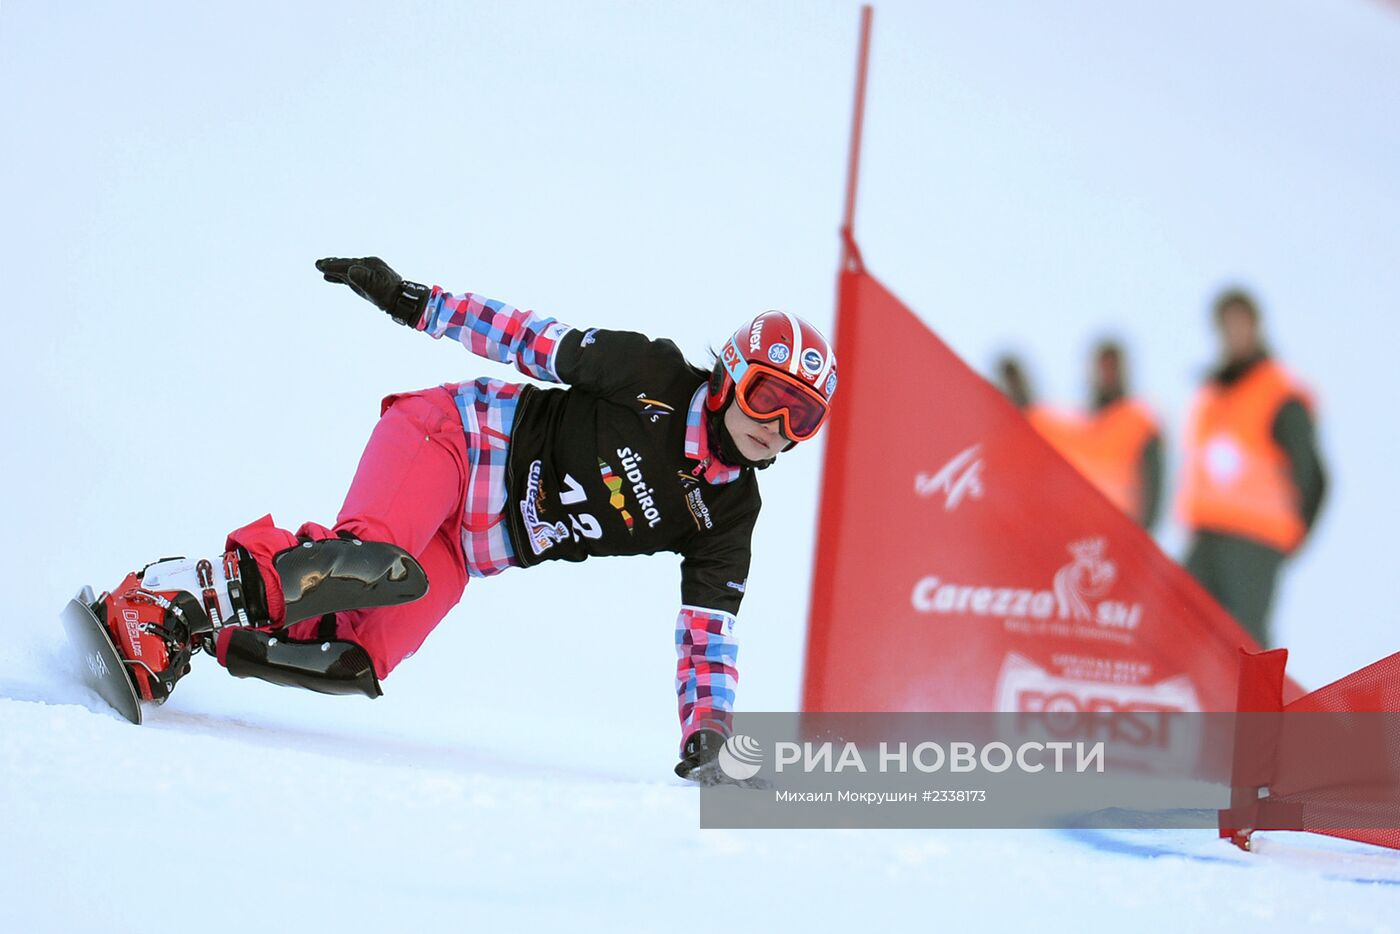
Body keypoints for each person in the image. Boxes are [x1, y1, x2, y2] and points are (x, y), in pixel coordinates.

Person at [87, 256, 837, 784]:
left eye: (803, 418)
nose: (778, 425)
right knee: (359, 564)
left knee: (350, 659)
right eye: (770, 396)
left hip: (474, 544)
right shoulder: (653, 375)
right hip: (459, 438)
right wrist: (414, 301)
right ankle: (158, 598)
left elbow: (709, 633)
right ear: (732, 375)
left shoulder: (729, 513)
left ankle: (194, 632)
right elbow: (526, 337)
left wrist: (711, 737)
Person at [1177, 288, 1327, 646]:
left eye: (1239, 324)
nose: (1232, 332)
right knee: (1181, 627)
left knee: (1243, 644)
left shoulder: (1278, 392)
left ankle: (1253, 704)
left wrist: (1292, 536)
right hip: (1207, 536)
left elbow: (1315, 476)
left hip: (1254, 542)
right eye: (1225, 325)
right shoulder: (1214, 392)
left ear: (1256, 326)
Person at [1059, 341, 1164, 531]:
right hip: (1080, 528)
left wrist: (1143, 535)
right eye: (1102, 366)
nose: (1106, 374)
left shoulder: (1139, 421)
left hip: (1123, 527)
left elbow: (1155, 486)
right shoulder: (1074, 425)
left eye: (1112, 367)